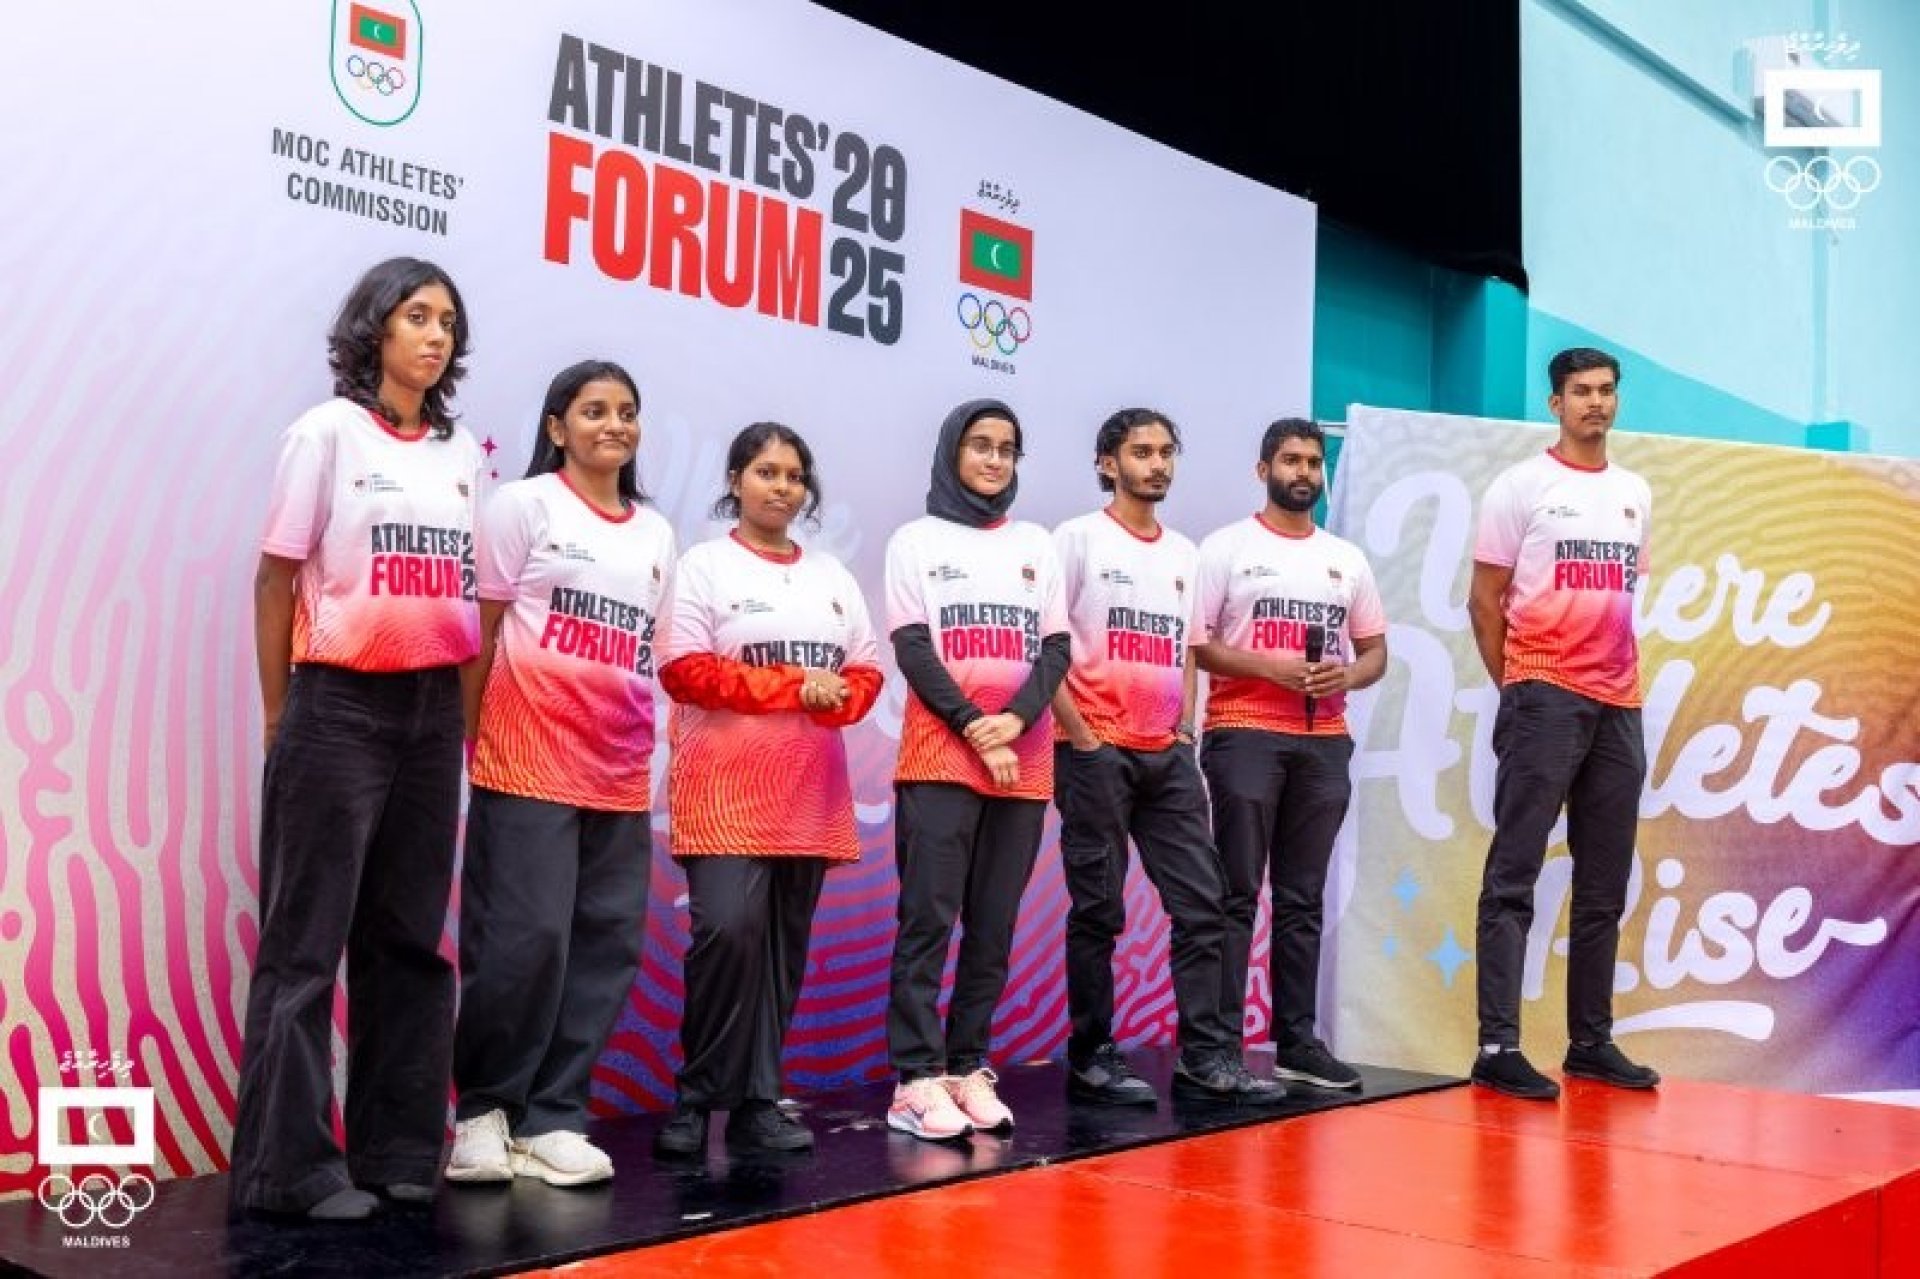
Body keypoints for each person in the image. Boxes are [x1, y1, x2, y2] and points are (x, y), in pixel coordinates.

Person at [232, 257, 484, 1220]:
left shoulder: (462, 454)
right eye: (416, 315)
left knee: (409, 939)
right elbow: (274, 579)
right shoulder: (326, 433)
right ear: (374, 327)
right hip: (336, 703)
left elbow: (463, 594)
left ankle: (398, 1147)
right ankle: (288, 1170)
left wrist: (458, 726)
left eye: (448, 322)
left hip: (431, 711)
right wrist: (279, 711)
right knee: (305, 945)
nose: (435, 335)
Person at [445, 360, 676, 1186]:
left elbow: (646, 652)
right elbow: (478, 636)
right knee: (523, 943)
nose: (614, 425)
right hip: (526, 763)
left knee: (605, 946)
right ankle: (483, 1113)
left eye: (626, 411)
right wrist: (478, 743)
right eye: (593, 410)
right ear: (557, 427)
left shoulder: (656, 532)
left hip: (619, 773)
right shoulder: (523, 506)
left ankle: (553, 1115)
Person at [651, 423, 884, 1157]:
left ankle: (757, 1101)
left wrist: (835, 696)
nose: (782, 486)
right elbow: (684, 669)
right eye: (766, 471)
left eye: (793, 475)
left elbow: (866, 672)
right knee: (725, 934)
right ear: (736, 480)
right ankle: (695, 1098)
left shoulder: (831, 577)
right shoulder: (704, 567)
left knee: (783, 950)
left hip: (808, 794)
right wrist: (795, 686)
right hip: (723, 792)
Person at [1051, 408, 1284, 1107]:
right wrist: (1080, 735)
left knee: (1204, 903)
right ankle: (1092, 1055)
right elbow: (1048, 645)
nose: (1156, 464)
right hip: (1094, 750)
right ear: (1107, 463)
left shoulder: (1186, 553)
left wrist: (1183, 728)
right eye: (1141, 452)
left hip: (1166, 755)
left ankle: (1205, 1057)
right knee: (1099, 908)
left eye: (1165, 453)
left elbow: (1186, 647)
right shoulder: (1077, 539)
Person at [1467, 347, 1658, 1101]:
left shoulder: (1635, 492)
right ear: (1556, 403)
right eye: (1581, 391)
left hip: (1619, 703)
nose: (1596, 403)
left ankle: (1590, 1042)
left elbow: (1624, 595)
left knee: (1605, 882)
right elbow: (1485, 601)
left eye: (1607, 390)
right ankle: (1497, 1046)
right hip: (1544, 694)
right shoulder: (1521, 486)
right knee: (1514, 874)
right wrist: (1520, 687)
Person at [881, 398, 1070, 1141]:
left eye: (1007, 448)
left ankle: (966, 1067)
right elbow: (912, 646)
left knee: (993, 924)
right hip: (941, 758)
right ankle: (914, 1080)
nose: (994, 459)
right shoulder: (915, 541)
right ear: (952, 451)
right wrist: (974, 726)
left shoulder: (1036, 544)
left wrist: (1015, 722)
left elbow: (1054, 649)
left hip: (1022, 762)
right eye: (980, 445)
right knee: (928, 920)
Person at [1195, 417, 1387, 1093]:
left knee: (1302, 899)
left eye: (1312, 462)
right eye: (1290, 460)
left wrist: (1347, 675)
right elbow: (1199, 646)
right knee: (1235, 894)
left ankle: (1297, 1042)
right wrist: (1268, 668)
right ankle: (1216, 1045)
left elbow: (1375, 652)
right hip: (1243, 732)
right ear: (1263, 470)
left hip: (1323, 742)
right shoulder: (1227, 547)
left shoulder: (1346, 558)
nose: (1303, 472)